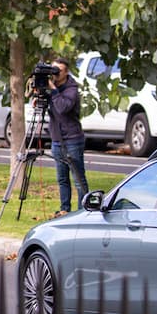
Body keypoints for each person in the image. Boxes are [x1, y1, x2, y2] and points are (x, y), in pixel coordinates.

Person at [44, 57, 89, 215]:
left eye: (59, 71)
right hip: (57, 139)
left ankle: (83, 211)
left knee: (78, 179)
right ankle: (64, 210)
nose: (55, 74)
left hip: (72, 140)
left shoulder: (71, 89)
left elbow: (62, 107)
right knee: (62, 178)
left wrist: (53, 90)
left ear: (66, 72)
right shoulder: (52, 87)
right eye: (53, 69)